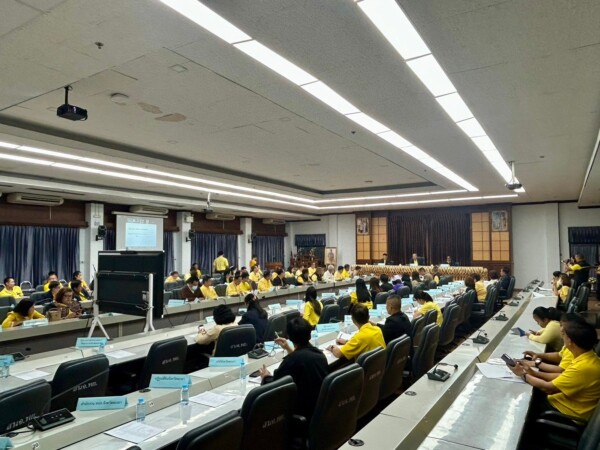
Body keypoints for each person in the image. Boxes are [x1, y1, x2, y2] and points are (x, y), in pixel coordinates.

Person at [509, 319, 600, 422]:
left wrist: (522, 374)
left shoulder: (583, 367)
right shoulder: (587, 357)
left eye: (564, 335)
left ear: (570, 341)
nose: (562, 337)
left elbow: (548, 388)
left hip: (565, 414)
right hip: (562, 403)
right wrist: (532, 372)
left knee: (522, 403)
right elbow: (561, 377)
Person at [259, 317, 328, 420]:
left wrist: (265, 377)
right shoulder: (319, 354)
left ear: (289, 337)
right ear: (309, 335)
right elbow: (302, 358)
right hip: (317, 411)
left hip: (301, 413)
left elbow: (275, 385)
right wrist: (288, 348)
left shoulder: (291, 360)